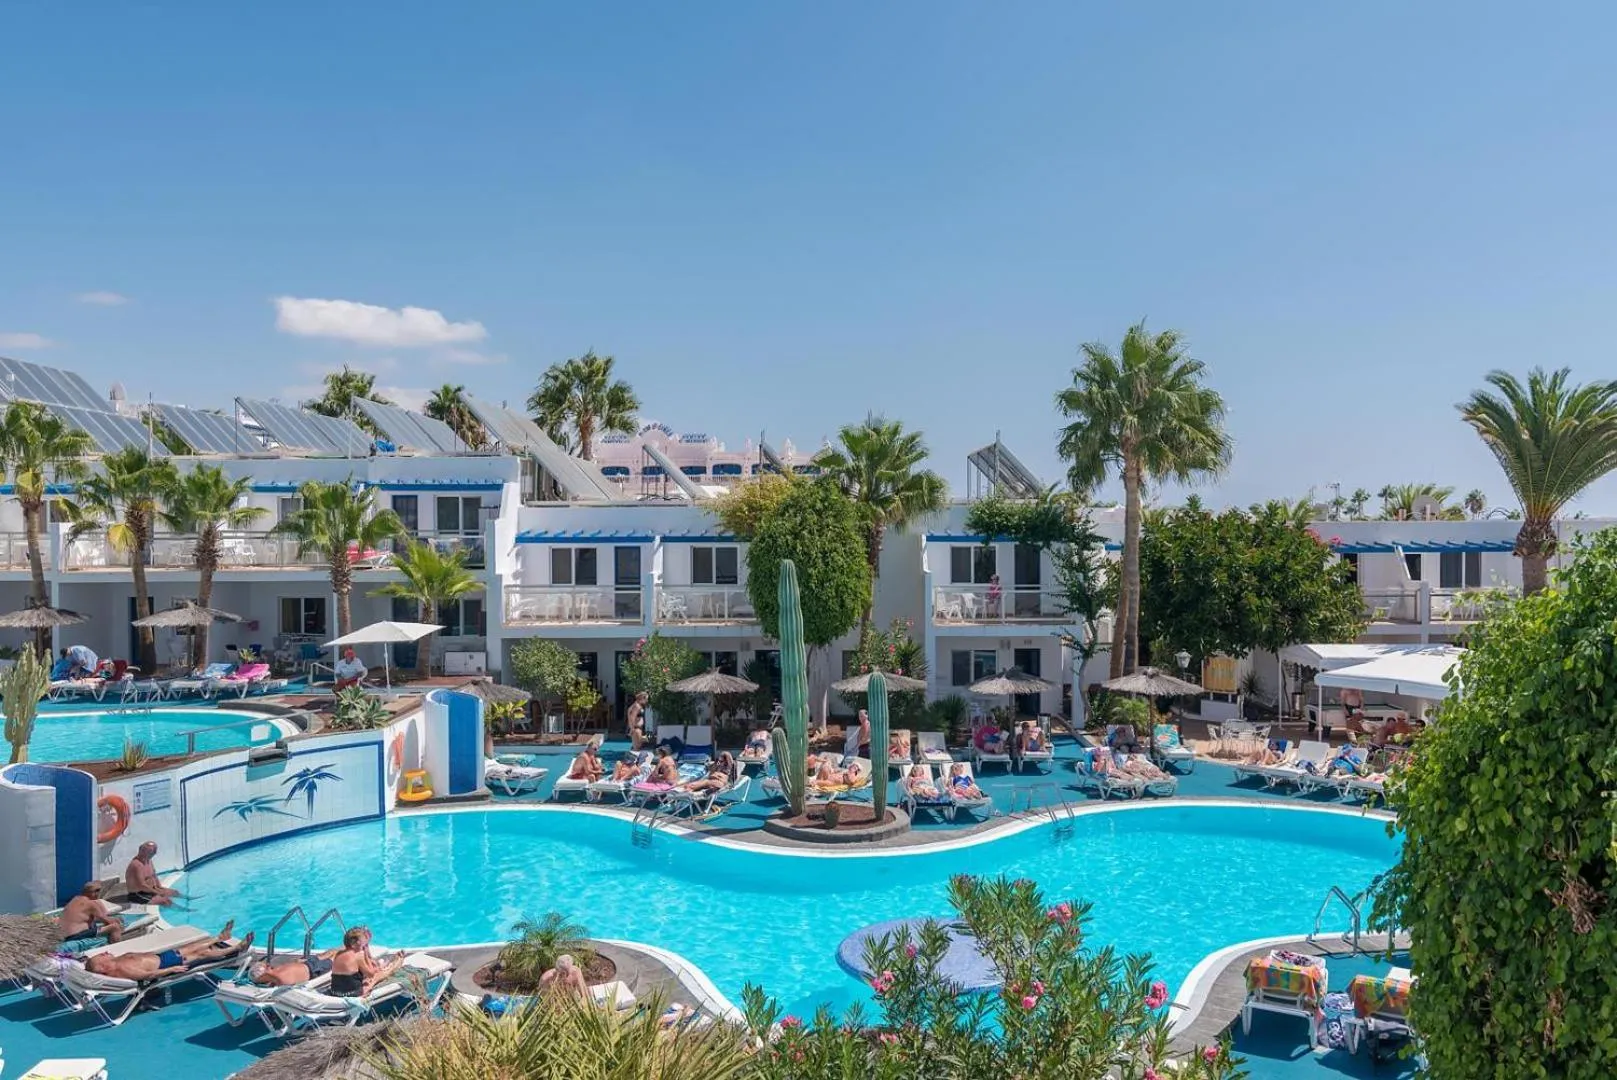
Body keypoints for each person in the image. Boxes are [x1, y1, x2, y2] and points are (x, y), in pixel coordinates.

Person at [85, 922, 251, 981]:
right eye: (102, 956)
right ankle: (237, 948)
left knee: (196, 944)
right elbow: (147, 975)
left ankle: (219, 938)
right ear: (103, 968)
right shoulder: (122, 969)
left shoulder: (115, 962)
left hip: (162, 957)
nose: (105, 953)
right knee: (203, 953)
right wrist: (171, 970)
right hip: (167, 963)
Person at [329, 926, 401, 997]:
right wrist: (366, 953)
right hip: (351, 993)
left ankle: (392, 961)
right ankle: (398, 961)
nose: (365, 942)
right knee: (378, 975)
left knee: (366, 976)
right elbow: (371, 974)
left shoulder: (339, 953)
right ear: (357, 942)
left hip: (335, 992)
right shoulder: (358, 955)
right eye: (363, 939)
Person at [123, 841, 180, 906]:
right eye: (150, 853)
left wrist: (159, 887)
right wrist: (157, 892)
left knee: (175, 893)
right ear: (141, 851)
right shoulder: (136, 865)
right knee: (166, 901)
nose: (152, 854)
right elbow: (142, 885)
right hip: (138, 894)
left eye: (153, 853)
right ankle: (187, 911)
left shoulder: (149, 860)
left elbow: (153, 875)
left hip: (150, 890)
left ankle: (191, 902)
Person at [250, 947, 339, 986]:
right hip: (315, 969)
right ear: (263, 975)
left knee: (332, 951)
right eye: (266, 967)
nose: (268, 965)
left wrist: (298, 962)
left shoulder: (275, 975)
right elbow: (260, 977)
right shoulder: (278, 979)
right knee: (337, 955)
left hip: (307, 964)